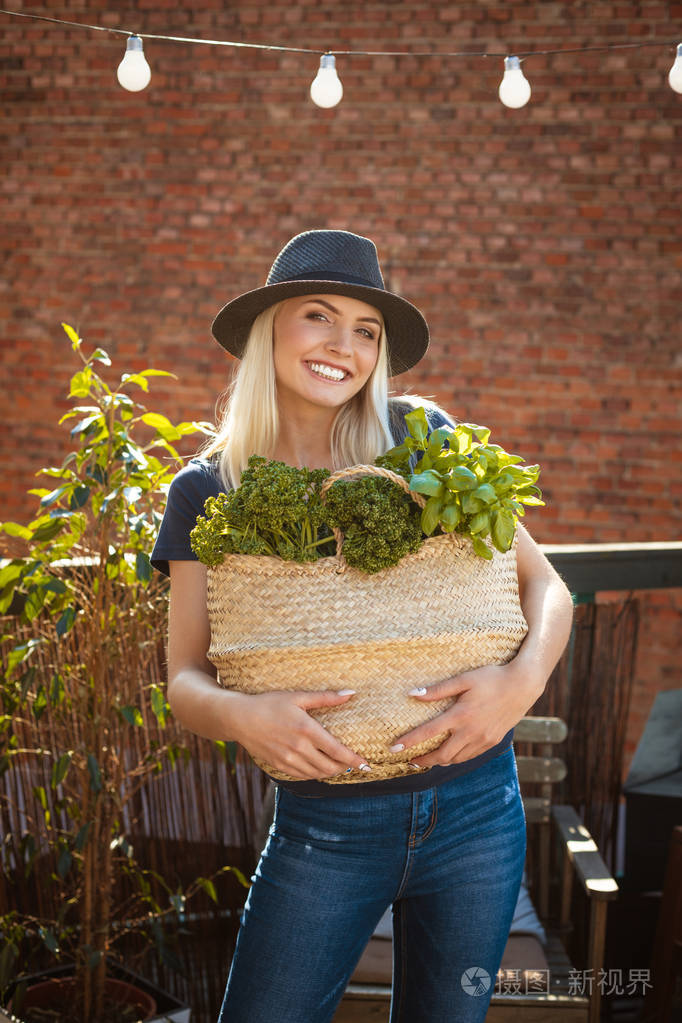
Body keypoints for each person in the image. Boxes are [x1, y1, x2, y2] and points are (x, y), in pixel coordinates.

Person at [151, 229, 574, 1023]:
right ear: (269, 328)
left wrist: (517, 686)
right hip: (325, 823)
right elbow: (184, 678)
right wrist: (246, 716)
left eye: (366, 330)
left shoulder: (419, 438)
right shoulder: (207, 489)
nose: (343, 347)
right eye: (318, 315)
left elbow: (547, 585)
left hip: (477, 807)